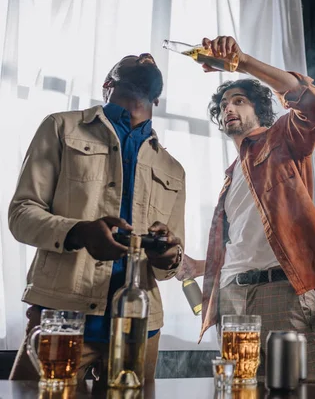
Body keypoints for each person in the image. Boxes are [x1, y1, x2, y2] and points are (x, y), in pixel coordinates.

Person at [8, 53, 185, 386]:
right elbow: (21, 214)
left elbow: (168, 267)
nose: (145, 56)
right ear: (108, 85)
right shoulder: (60, 127)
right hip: (62, 320)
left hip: (141, 328)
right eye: (133, 58)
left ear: (157, 99)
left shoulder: (173, 169)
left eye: (149, 58)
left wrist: (167, 254)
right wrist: (78, 232)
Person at [197, 36, 315, 377]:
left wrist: (242, 61)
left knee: (299, 388)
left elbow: (314, 104)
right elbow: (245, 243)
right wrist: (195, 267)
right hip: (231, 295)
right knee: (237, 391)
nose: (228, 109)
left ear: (259, 109)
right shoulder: (231, 177)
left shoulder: (282, 140)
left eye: (239, 101)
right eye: (223, 106)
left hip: (282, 291)